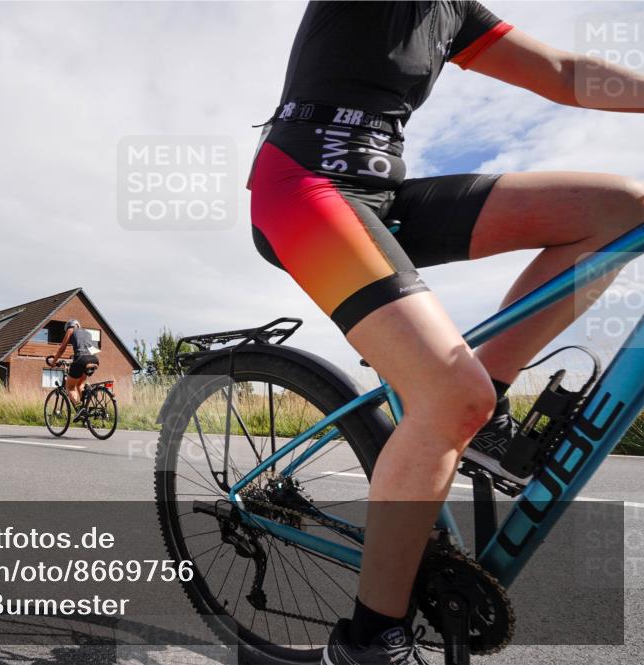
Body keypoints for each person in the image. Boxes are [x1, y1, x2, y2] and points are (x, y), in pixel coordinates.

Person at [248, 2, 643, 663]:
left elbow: (563, 70)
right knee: (448, 394)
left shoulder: (451, 9)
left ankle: (482, 412)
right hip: (301, 185)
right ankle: (369, 641)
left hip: (383, 197)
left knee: (621, 211)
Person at [47, 320, 100, 418]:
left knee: (70, 387)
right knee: (80, 385)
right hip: (94, 360)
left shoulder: (71, 330)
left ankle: (80, 409)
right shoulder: (87, 332)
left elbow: (62, 348)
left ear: (69, 327)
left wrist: (54, 362)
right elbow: (92, 349)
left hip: (81, 359)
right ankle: (85, 412)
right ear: (78, 325)